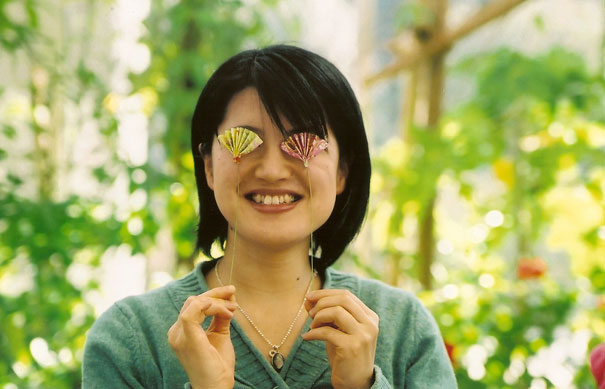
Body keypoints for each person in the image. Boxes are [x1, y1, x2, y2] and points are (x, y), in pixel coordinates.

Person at [82, 45, 457, 388]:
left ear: (342, 171)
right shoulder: (129, 338)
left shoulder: (405, 328)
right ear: (209, 166)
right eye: (244, 141)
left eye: (303, 142)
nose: (273, 170)